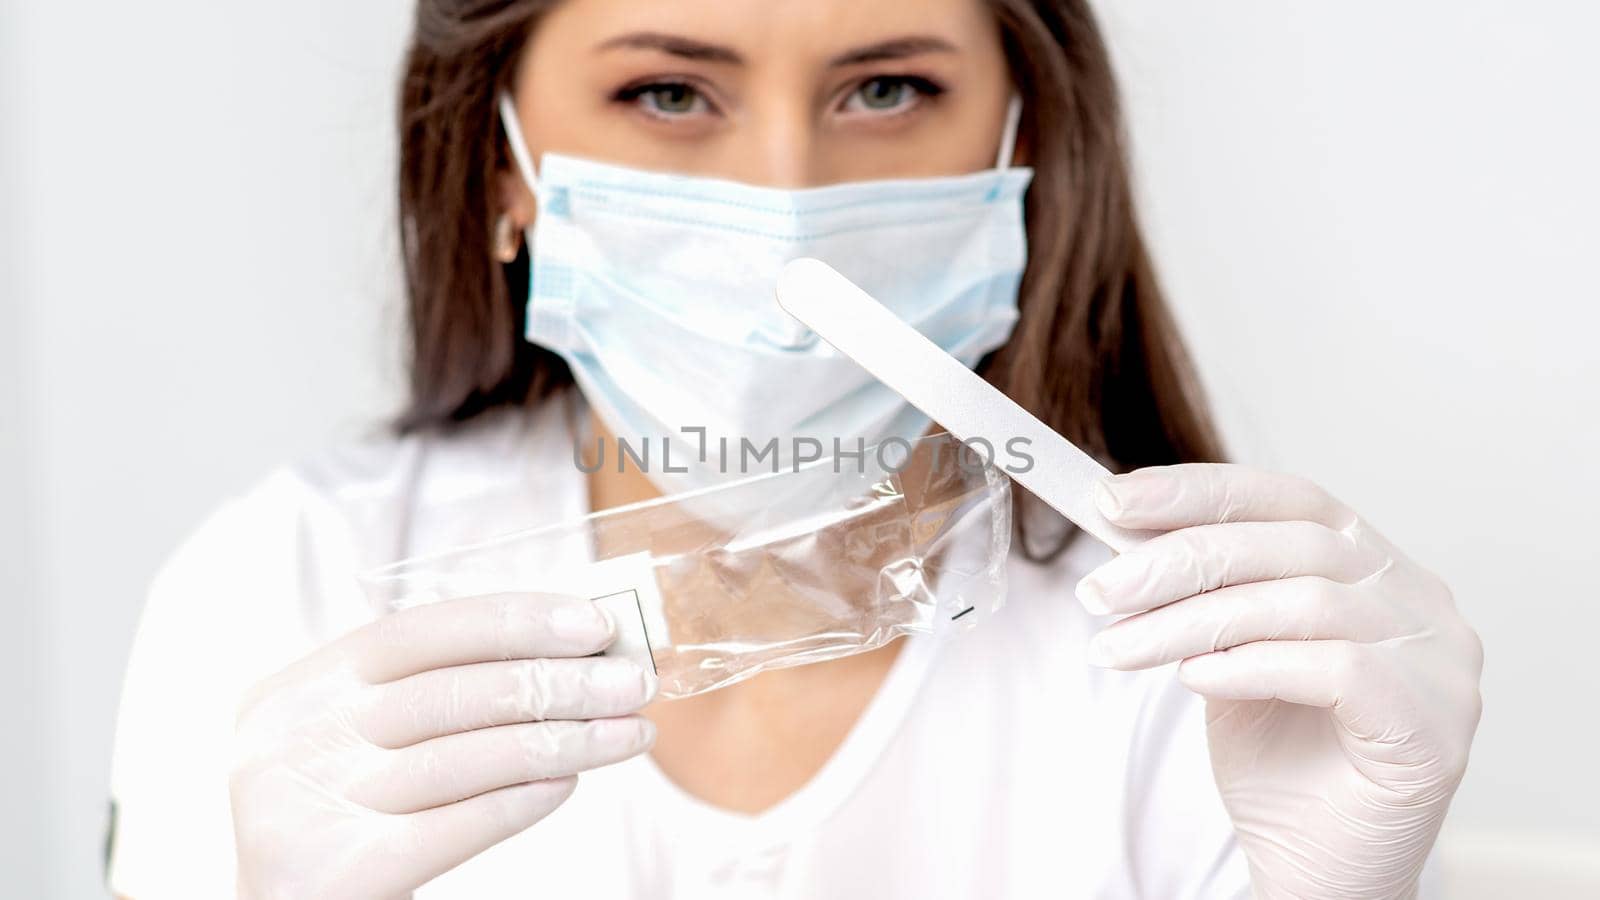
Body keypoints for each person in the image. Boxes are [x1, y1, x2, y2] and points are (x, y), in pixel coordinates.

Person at [106, 1, 1484, 897]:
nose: (788, 205)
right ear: (502, 169)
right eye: (669, 93)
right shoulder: (283, 589)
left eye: (884, 89)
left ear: (1025, 148)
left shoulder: (1206, 664)